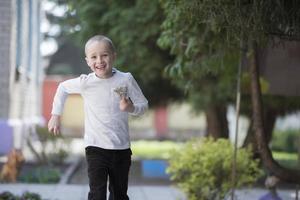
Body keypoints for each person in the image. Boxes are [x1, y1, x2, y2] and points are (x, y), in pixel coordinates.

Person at [48, 35, 148, 200]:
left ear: (113, 56)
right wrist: (55, 114)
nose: (99, 60)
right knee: (97, 194)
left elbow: (143, 105)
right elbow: (63, 88)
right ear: (87, 61)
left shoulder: (126, 79)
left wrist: (131, 108)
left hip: (121, 148)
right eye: (94, 57)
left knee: (119, 194)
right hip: (95, 147)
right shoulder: (85, 82)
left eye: (104, 55)